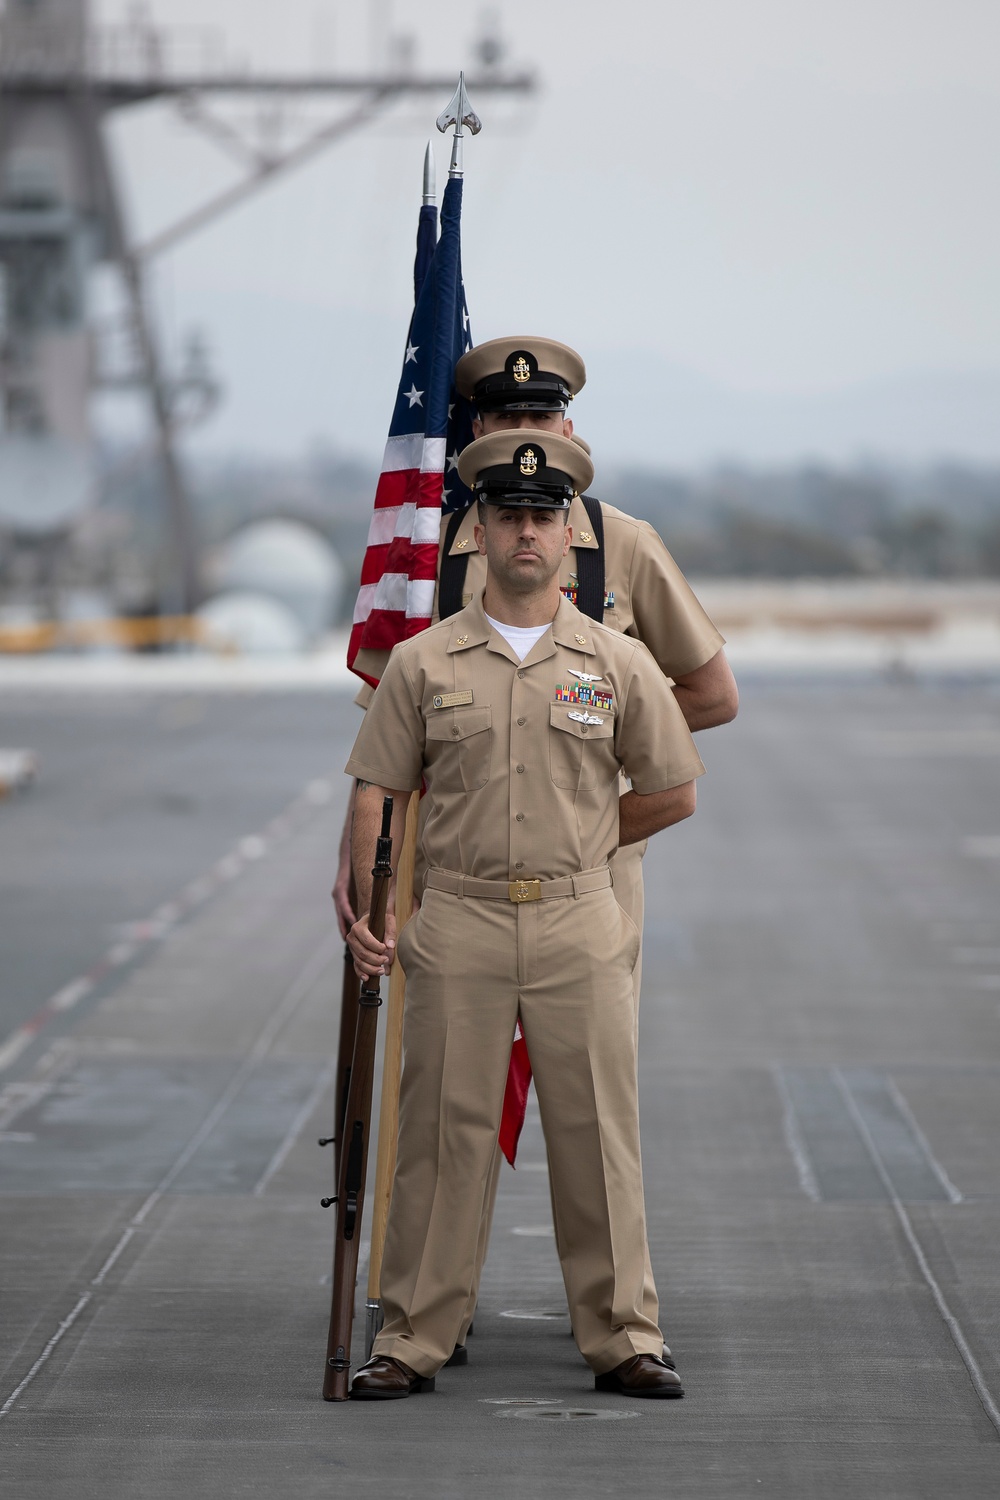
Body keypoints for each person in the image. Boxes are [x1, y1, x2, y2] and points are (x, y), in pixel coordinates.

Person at [343, 430, 705, 1399]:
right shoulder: (423, 662)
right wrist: (368, 909)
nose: (527, 534)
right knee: (438, 1132)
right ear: (479, 533)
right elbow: (378, 788)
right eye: (508, 517)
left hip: (575, 921)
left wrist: (587, 842)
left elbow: (673, 788)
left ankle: (624, 1334)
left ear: (569, 532)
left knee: (596, 1132)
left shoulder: (616, 661)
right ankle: (412, 1335)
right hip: (456, 917)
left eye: (545, 518)